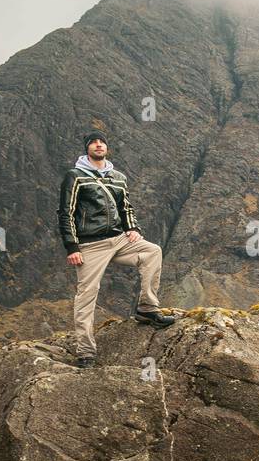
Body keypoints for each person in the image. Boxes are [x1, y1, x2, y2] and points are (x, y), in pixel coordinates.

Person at [57, 127, 174, 366]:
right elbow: (65, 213)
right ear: (87, 148)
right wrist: (72, 247)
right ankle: (86, 352)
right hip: (91, 245)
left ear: (106, 148)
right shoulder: (75, 176)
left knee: (152, 251)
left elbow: (126, 207)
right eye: (93, 142)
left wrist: (133, 228)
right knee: (86, 296)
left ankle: (147, 308)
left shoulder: (118, 177)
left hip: (120, 240)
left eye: (102, 142)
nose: (98, 145)